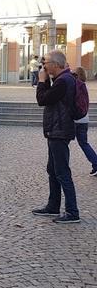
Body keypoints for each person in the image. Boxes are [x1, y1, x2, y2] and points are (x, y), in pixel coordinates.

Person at [32, 50, 80, 223]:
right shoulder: (63, 80)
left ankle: (72, 212)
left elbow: (42, 99)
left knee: (62, 172)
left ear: (57, 64)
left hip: (59, 131)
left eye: (47, 62)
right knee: (53, 170)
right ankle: (53, 206)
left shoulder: (63, 82)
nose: (44, 65)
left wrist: (42, 80)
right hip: (56, 130)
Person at [71, 66, 97, 176]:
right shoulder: (83, 85)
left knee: (62, 143)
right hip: (84, 118)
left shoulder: (75, 84)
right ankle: (95, 164)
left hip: (75, 119)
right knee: (84, 143)